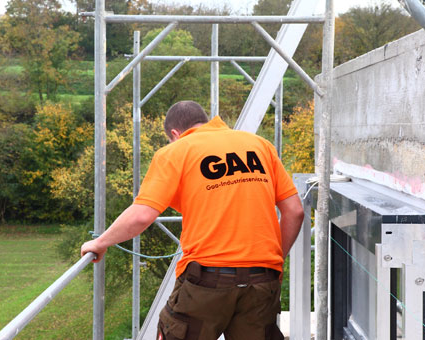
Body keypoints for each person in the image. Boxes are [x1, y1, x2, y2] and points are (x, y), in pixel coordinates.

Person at [80, 100, 304, 340]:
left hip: (206, 281)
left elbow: (142, 214)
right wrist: (274, 261)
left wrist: (100, 242)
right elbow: (295, 211)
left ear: (175, 133)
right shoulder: (260, 146)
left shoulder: (176, 151)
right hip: (262, 280)